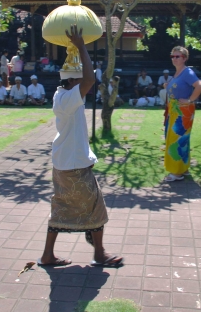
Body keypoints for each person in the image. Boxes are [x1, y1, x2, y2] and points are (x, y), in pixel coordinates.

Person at [39, 24, 123, 267]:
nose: (84, 84)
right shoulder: (68, 97)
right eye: (79, 79)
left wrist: (78, 48)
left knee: (62, 207)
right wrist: (81, 46)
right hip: (73, 163)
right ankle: (98, 254)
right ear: (73, 80)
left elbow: (86, 79)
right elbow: (90, 79)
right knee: (94, 207)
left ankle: (48, 255)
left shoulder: (63, 94)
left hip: (67, 160)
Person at [163, 46, 201, 182]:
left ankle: (176, 172)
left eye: (177, 56)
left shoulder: (187, 72)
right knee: (182, 140)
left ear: (184, 58)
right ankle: (183, 168)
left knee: (176, 140)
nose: (174, 59)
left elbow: (199, 85)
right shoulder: (177, 73)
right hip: (175, 110)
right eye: (172, 56)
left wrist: (189, 100)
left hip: (182, 111)